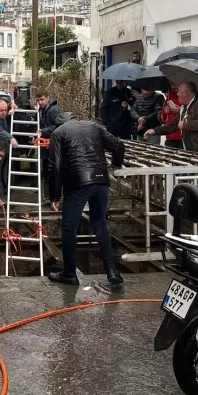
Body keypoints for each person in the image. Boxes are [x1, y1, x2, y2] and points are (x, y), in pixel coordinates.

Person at [49, 115, 125, 286]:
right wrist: (116, 164)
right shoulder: (95, 127)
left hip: (78, 182)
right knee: (100, 223)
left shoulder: (58, 133)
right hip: (101, 180)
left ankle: (69, 273)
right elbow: (118, 145)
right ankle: (112, 270)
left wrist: (54, 196)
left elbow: (55, 166)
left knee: (69, 227)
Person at [147, 81, 198, 154]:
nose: (177, 94)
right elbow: (173, 125)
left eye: (179, 91)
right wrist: (155, 130)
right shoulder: (184, 107)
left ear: (185, 93)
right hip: (193, 151)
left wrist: (185, 125)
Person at [156, 82, 182, 148]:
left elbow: (190, 113)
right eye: (171, 84)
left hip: (182, 136)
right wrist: (165, 112)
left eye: (175, 83)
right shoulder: (168, 98)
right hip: (170, 136)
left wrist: (179, 111)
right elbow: (162, 120)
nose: (173, 86)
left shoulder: (185, 97)